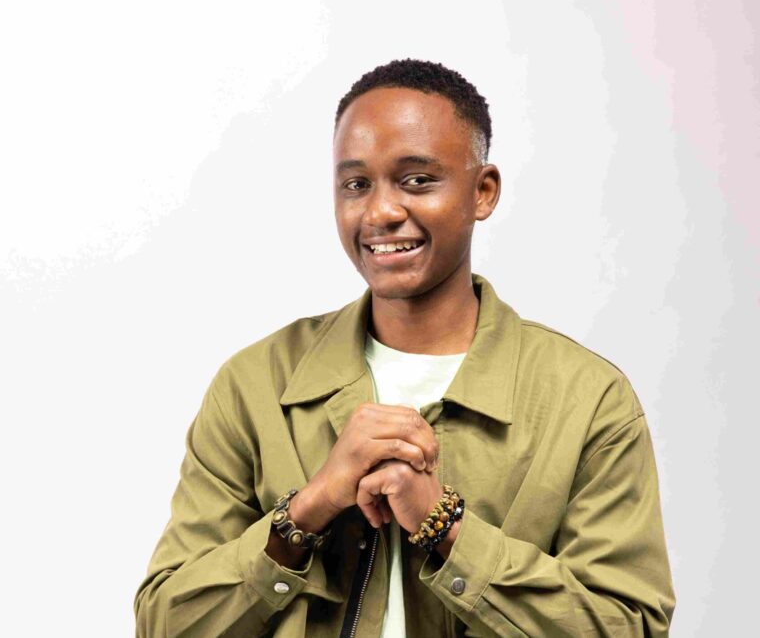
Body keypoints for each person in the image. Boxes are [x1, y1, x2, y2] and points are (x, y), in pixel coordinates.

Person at [134, 58, 676, 637]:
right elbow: (166, 624)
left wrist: (446, 527)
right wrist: (306, 510)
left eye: (417, 180)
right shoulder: (256, 385)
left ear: (482, 192)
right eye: (355, 184)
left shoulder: (587, 400)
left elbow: (630, 628)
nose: (381, 212)